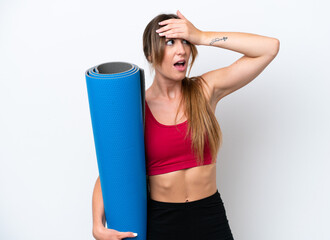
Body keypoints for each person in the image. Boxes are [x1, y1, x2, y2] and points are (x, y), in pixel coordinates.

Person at [92, 10, 279, 240]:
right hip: (162, 222)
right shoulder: (136, 107)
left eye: (185, 42)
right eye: (170, 42)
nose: (181, 50)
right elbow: (112, 169)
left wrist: (201, 36)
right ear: (150, 54)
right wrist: (97, 224)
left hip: (210, 216)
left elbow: (269, 48)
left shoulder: (204, 90)